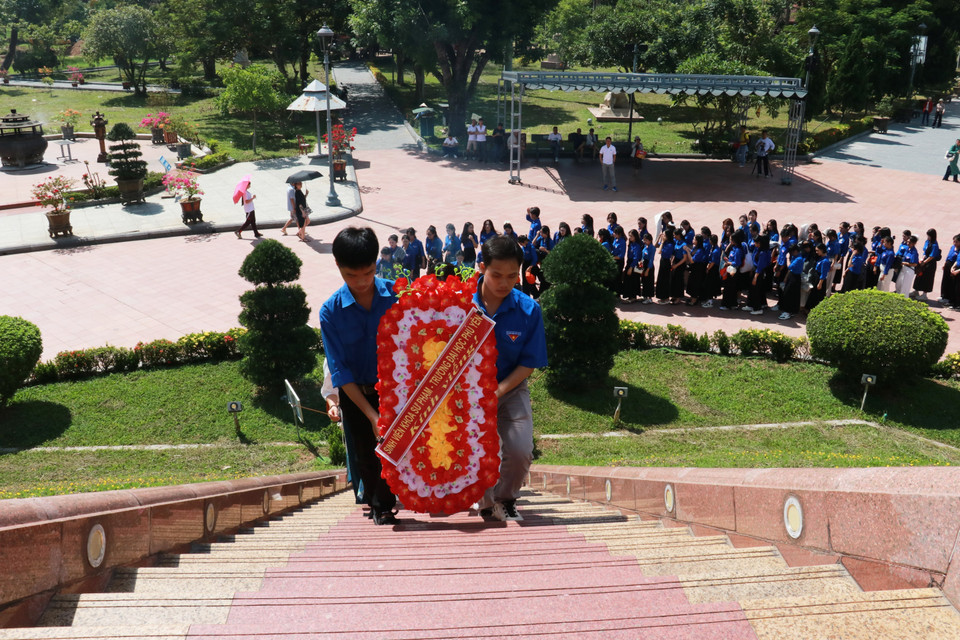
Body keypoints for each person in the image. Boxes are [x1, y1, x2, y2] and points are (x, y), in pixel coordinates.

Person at [319, 227, 399, 526]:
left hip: (397, 391)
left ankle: (402, 496)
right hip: (357, 394)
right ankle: (381, 506)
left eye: (368, 273)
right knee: (367, 451)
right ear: (338, 267)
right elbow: (340, 371)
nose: (362, 282)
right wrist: (370, 414)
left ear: (376, 263)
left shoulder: (397, 294)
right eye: (352, 276)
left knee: (401, 447)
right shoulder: (331, 312)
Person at [470, 236, 547, 522]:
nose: (505, 283)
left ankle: (506, 497)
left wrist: (498, 391)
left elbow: (529, 362)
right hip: (467, 392)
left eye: (512, 276)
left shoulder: (528, 310)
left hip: (511, 387)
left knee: (519, 450)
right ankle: (485, 502)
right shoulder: (459, 306)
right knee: (474, 450)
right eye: (496, 275)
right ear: (481, 268)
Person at [912, 229, 941, 300]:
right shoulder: (927, 241)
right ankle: (916, 291)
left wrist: (924, 262)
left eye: (929, 236)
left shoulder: (934, 244)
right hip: (924, 260)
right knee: (919, 276)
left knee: (927, 278)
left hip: (930, 263)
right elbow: (925, 251)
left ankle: (924, 295)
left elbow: (932, 256)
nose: (928, 237)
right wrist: (923, 258)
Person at [779, 244, 803, 320]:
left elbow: (790, 266)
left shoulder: (799, 258)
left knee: (789, 294)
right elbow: (790, 270)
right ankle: (791, 311)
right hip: (791, 275)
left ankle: (788, 312)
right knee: (789, 293)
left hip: (795, 277)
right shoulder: (795, 256)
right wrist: (786, 277)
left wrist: (787, 258)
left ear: (795, 251)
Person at [806, 243, 831, 311]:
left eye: (818, 250)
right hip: (816, 277)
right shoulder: (821, 258)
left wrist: (820, 283)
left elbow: (824, 273)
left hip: (820, 279)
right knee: (814, 294)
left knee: (817, 296)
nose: (816, 252)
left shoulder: (825, 261)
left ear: (822, 250)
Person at [942, 234, 960, 308]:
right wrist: (953, 267)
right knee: (953, 287)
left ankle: (957, 305)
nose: (954, 243)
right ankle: (952, 302)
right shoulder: (955, 248)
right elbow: (957, 260)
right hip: (956, 269)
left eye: (956, 242)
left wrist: (957, 271)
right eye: (954, 241)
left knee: (958, 288)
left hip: (958, 271)